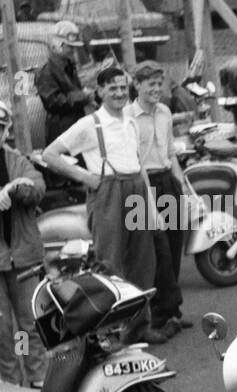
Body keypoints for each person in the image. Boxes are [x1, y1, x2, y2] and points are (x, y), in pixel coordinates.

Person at [40, 62, 156, 335]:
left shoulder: (130, 121)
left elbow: (139, 164)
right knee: (109, 262)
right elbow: (50, 154)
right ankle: (110, 332)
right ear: (100, 91)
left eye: (121, 87)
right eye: (111, 88)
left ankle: (139, 327)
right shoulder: (89, 124)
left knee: (142, 260)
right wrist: (85, 177)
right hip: (108, 192)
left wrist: (152, 206)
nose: (118, 93)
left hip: (135, 187)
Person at [0, 96, 47, 386]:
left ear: (6, 132)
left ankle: (36, 376)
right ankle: (10, 379)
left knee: (28, 323)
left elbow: (37, 187)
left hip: (23, 257)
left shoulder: (17, 159)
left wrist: (18, 190)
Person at [125, 61, 190, 344]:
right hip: (142, 185)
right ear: (137, 85)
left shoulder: (164, 111)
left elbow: (171, 153)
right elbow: (136, 163)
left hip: (166, 180)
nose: (155, 89)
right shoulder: (128, 116)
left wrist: (183, 188)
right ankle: (155, 316)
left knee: (174, 245)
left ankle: (172, 312)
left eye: (158, 83)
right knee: (155, 252)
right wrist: (150, 203)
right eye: (149, 84)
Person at [34, 20, 92, 145]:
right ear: (57, 44)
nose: (73, 50)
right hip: (60, 132)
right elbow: (53, 102)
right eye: (69, 46)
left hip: (75, 127)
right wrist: (83, 96)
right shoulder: (47, 71)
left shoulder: (69, 66)